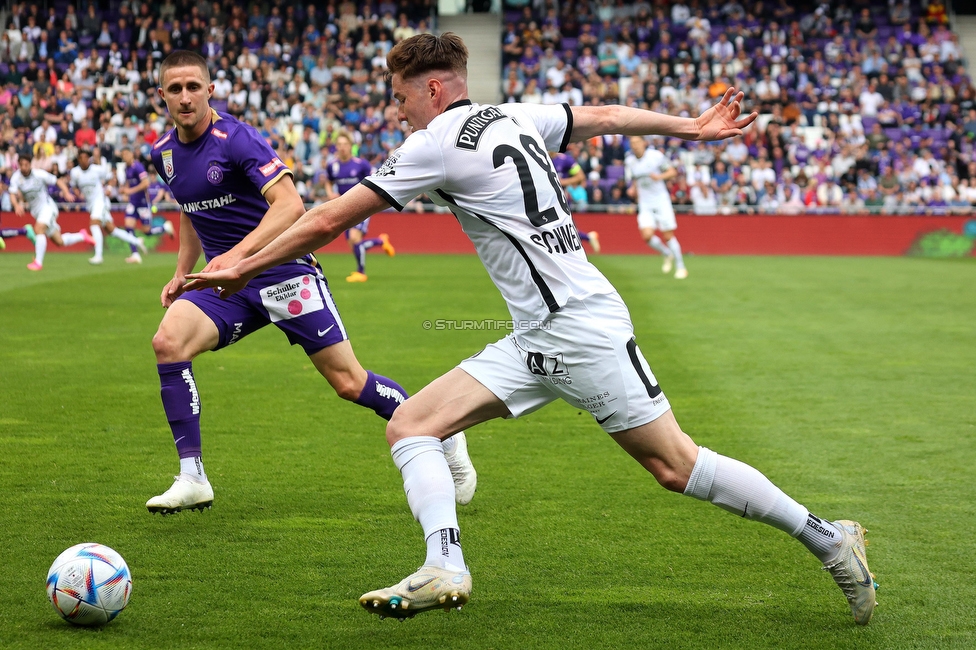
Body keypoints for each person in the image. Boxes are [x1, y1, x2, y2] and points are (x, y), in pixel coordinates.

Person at [185, 34, 877, 626]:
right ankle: (442, 565)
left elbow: (328, 219)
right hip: (536, 336)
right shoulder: (512, 116)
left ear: (431, 89)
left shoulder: (435, 144)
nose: (394, 110)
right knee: (412, 425)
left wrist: (239, 263)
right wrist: (689, 127)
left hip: (580, 330)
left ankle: (830, 538)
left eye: (399, 97)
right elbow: (602, 115)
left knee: (677, 466)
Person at [144, 50, 476, 515]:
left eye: (193, 87)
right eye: (175, 89)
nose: (185, 97)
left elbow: (289, 207)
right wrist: (182, 271)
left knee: (349, 382)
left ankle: (443, 429)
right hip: (226, 287)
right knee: (168, 342)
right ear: (161, 95)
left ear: (210, 90)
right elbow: (190, 209)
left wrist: (238, 258)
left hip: (283, 273)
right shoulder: (163, 153)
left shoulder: (237, 140)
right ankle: (192, 476)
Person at [324, 130, 396, 282]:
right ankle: (380, 241)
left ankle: (361, 273)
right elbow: (328, 182)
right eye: (339, 144)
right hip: (344, 208)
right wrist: (330, 193)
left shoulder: (361, 165)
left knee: (354, 238)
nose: (342, 147)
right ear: (336, 147)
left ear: (351, 146)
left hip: (360, 206)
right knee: (353, 244)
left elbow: (374, 179)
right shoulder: (333, 166)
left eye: (345, 144)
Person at [9, 154, 94, 271]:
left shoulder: (39, 174)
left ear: (30, 164)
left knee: (38, 229)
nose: (24, 167)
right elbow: (12, 194)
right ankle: (82, 235)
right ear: (19, 165)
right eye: (22, 165)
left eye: (26, 165)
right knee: (59, 241)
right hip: (37, 212)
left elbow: (57, 181)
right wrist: (16, 205)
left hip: (48, 207)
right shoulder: (16, 177)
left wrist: (66, 192)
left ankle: (38, 262)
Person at [69, 148, 147, 265]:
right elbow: (74, 185)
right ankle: (136, 241)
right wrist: (76, 192)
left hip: (101, 200)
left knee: (94, 223)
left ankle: (98, 255)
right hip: (91, 203)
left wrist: (109, 188)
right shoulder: (75, 172)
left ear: (89, 159)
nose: (84, 160)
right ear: (78, 159)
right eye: (81, 158)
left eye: (86, 157)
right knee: (112, 230)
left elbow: (112, 177)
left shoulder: (97, 170)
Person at [625, 136, 688, 278]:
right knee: (646, 236)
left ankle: (681, 266)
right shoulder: (630, 161)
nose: (634, 146)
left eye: (637, 143)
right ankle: (667, 253)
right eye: (632, 143)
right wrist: (633, 189)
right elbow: (635, 179)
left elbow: (672, 172)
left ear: (644, 143)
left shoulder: (655, 156)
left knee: (667, 235)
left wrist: (659, 177)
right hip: (645, 203)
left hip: (660, 201)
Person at [119, 147, 175, 263]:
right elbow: (129, 184)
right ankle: (135, 254)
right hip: (133, 203)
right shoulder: (126, 169)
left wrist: (130, 191)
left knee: (147, 232)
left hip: (143, 204)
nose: (124, 157)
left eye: (126, 154)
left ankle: (165, 227)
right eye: (122, 155)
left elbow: (146, 183)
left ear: (131, 154)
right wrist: (125, 191)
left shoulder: (138, 167)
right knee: (128, 226)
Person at [550, 150, 600, 253]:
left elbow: (580, 176)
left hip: (561, 200)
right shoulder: (539, 158)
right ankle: (588, 237)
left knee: (564, 229)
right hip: (545, 200)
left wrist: (562, 182)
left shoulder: (565, 160)